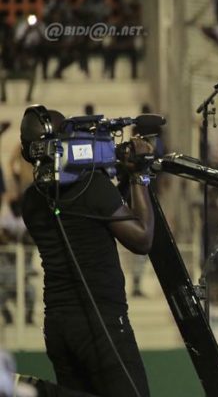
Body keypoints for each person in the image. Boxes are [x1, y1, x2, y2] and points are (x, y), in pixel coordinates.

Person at [19, 106, 153, 397]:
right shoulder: (92, 186)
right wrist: (140, 176)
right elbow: (142, 239)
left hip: (57, 328)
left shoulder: (30, 200)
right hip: (101, 326)